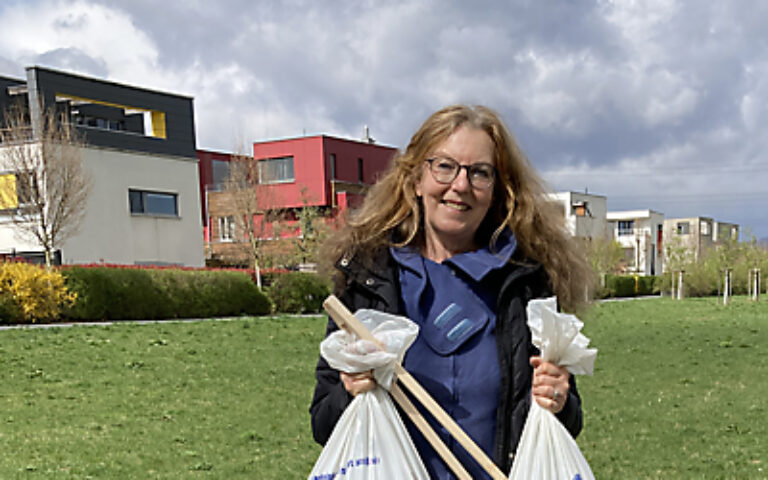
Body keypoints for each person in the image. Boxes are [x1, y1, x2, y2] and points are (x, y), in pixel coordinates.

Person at [310, 104, 592, 479]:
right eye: (444, 166)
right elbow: (323, 423)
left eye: (479, 173)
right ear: (415, 179)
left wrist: (558, 398)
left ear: (496, 190)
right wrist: (350, 390)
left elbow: (567, 419)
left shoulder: (525, 285)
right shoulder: (367, 280)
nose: (460, 185)